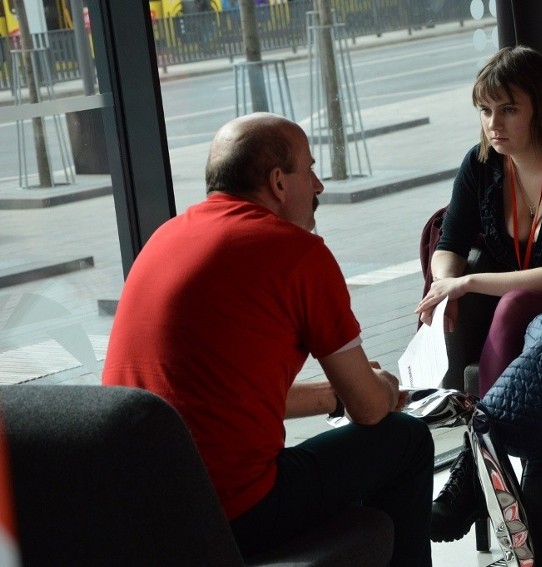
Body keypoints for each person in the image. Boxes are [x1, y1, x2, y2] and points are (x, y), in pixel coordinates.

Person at [102, 113, 434, 566]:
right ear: (278, 182)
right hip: (232, 514)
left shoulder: (166, 238)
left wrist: (331, 397)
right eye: (310, 169)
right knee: (406, 440)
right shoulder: (297, 253)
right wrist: (383, 387)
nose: (318, 186)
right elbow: (371, 409)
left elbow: (217, 397)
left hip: (135, 515)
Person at [419, 45, 542, 543]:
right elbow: (451, 242)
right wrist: (444, 285)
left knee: (509, 304)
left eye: (508, 109)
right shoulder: (483, 163)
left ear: (540, 108)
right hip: (518, 300)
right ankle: (488, 474)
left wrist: (467, 281)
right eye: (485, 111)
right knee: (488, 305)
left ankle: (471, 473)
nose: (493, 123)